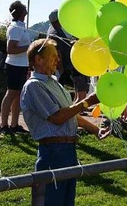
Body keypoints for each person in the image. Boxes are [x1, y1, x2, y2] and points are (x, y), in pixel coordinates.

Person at [20, 38, 109, 205]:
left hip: (68, 150)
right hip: (53, 152)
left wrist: (96, 130)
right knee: (51, 201)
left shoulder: (53, 82)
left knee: (67, 201)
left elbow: (69, 114)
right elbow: (57, 117)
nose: (58, 59)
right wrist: (88, 101)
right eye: (53, 56)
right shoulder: (33, 86)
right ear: (38, 60)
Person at [0, 1, 31, 135]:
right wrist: (30, 48)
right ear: (19, 12)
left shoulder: (21, 26)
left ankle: (14, 125)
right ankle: (4, 125)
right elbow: (10, 49)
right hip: (14, 66)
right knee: (11, 94)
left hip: (22, 65)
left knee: (17, 95)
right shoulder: (15, 28)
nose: (26, 9)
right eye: (23, 7)